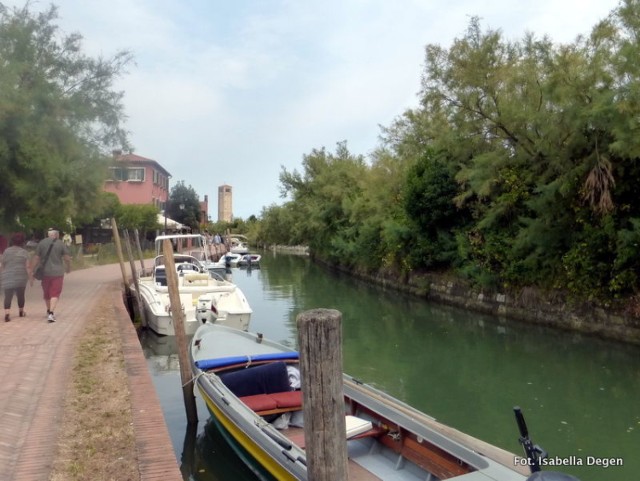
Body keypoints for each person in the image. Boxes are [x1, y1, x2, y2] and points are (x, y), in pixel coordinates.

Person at [32, 228, 71, 323]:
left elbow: (36, 258)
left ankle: (49, 310)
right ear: (56, 235)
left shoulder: (41, 243)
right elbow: (67, 258)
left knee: (47, 293)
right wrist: (68, 267)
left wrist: (32, 270)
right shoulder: (60, 243)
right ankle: (51, 313)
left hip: (45, 273)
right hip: (57, 273)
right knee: (55, 293)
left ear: (48, 235)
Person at [1, 232, 33, 322]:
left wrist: (3, 274)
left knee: (8, 296)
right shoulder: (24, 252)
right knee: (21, 295)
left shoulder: (6, 251)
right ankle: (21, 311)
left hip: (8, 276)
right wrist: (30, 278)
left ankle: (7, 314)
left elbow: (2, 264)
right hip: (21, 276)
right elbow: (27, 267)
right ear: (22, 242)